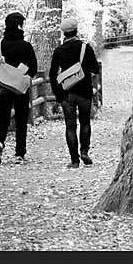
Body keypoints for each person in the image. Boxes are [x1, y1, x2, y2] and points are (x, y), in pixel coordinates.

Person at [0, 12, 38, 166]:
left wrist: (3, 79)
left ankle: (0, 143)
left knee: (3, 119)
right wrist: (22, 78)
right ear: (20, 26)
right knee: (21, 121)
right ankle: (19, 154)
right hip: (21, 90)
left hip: (3, 89)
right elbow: (33, 68)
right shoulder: (26, 46)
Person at [49, 17, 101, 168]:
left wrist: (58, 95)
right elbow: (95, 69)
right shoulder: (85, 48)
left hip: (67, 93)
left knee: (70, 127)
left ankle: (74, 160)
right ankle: (84, 151)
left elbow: (53, 75)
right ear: (76, 30)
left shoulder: (59, 51)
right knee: (85, 122)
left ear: (64, 33)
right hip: (84, 91)